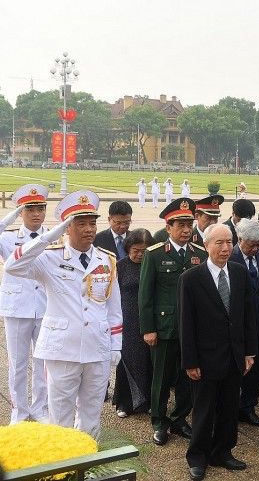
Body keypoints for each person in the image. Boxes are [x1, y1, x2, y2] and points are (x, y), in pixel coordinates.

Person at [3, 190, 122, 438]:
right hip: (62, 350)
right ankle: (63, 470)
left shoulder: (106, 260)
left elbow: (113, 307)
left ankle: (87, 463)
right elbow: (13, 266)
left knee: (91, 413)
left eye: (92, 223)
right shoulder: (49, 257)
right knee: (59, 416)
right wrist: (46, 238)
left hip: (97, 347)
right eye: (80, 224)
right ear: (67, 228)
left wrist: (115, 344)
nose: (89, 229)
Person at [179, 224, 257, 480]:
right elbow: (186, 324)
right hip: (205, 357)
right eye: (219, 243)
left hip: (234, 355)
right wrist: (190, 361)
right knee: (203, 410)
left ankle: (223, 451)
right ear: (205, 245)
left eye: (229, 242)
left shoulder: (239, 272)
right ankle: (198, 457)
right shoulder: (190, 278)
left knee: (228, 407)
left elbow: (247, 315)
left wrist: (249, 352)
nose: (225, 248)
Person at [139, 198, 207, 446]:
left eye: (189, 224)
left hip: (192, 329)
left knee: (188, 377)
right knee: (161, 377)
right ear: (169, 228)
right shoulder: (154, 254)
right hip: (164, 328)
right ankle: (159, 422)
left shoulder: (200, 254)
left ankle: (179, 419)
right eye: (181, 224)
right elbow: (145, 295)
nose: (187, 229)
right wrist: (148, 328)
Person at [0, 184, 49, 424]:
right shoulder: (8, 238)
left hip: (46, 306)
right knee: (18, 363)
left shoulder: (54, 236)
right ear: (21, 212)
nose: (37, 214)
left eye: (41, 208)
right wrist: (7, 217)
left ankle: (40, 408)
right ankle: (19, 411)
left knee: (43, 362)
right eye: (30, 209)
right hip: (17, 306)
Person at [228, 219, 259, 428]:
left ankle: (248, 407)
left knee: (254, 366)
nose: (255, 249)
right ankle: (229, 407)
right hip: (235, 323)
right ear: (240, 239)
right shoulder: (229, 257)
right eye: (251, 245)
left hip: (258, 322)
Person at [113, 228, 155, 418]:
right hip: (126, 319)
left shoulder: (154, 265)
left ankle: (149, 401)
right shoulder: (119, 266)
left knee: (149, 360)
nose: (139, 255)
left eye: (144, 251)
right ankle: (125, 402)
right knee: (126, 360)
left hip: (150, 319)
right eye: (135, 250)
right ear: (128, 247)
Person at [153, 194, 224, 245]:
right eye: (208, 218)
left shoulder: (221, 238)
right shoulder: (163, 236)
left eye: (215, 218)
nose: (212, 222)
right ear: (196, 216)